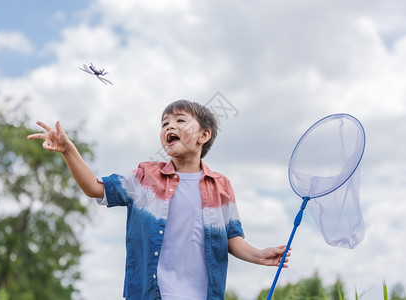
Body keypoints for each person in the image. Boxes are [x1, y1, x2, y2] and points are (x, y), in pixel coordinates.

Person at [27, 99, 290, 300]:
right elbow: (95, 188)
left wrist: (258, 255)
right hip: (152, 293)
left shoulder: (221, 186)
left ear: (204, 135)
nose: (169, 127)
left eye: (179, 120)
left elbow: (231, 237)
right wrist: (68, 150)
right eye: (164, 124)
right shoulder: (145, 177)